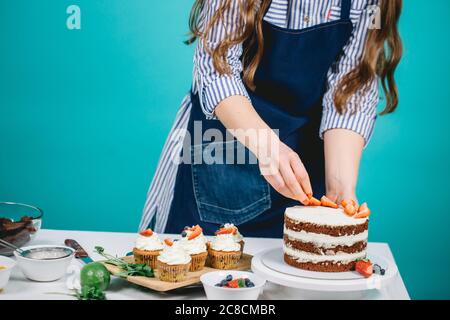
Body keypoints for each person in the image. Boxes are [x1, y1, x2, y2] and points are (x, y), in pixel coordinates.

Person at [140, 0, 403, 237]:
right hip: (219, 159)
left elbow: (353, 84)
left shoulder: (374, 6)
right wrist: (268, 147)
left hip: (304, 168)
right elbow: (216, 68)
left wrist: (340, 186)